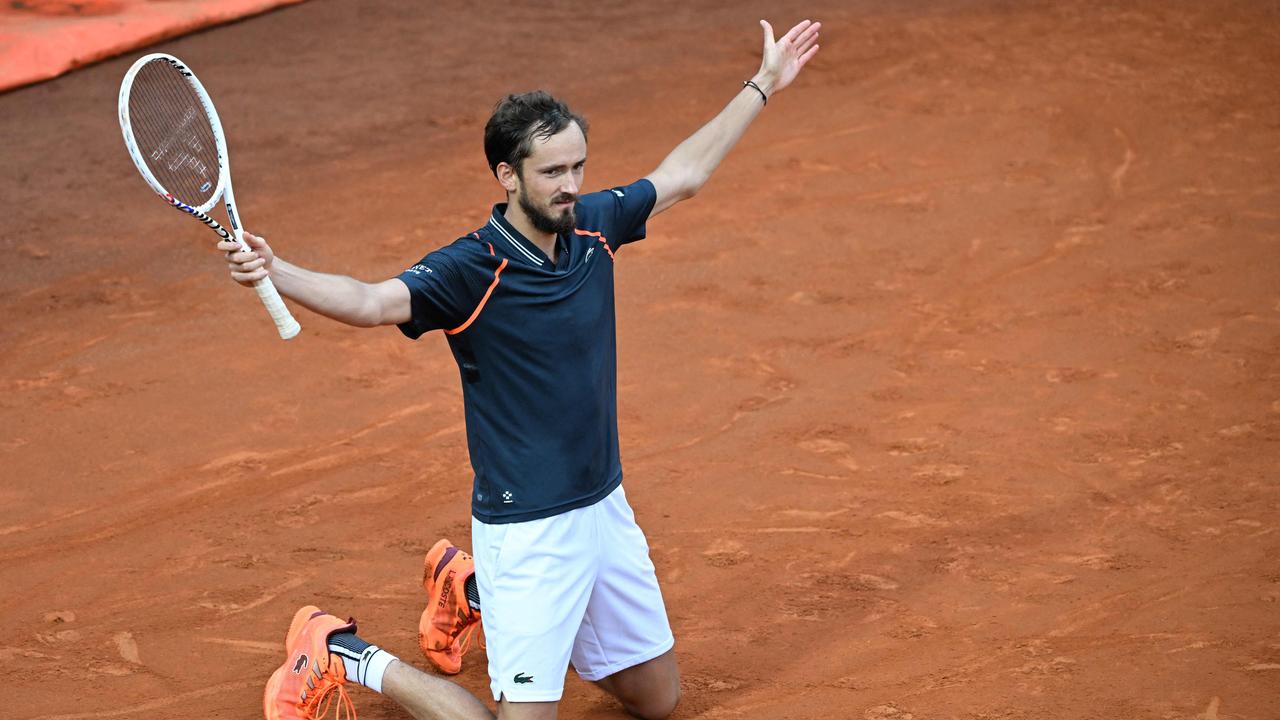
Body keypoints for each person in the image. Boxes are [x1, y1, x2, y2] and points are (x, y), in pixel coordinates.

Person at [227, 18, 821, 720]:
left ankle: (471, 593)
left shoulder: (595, 226)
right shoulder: (469, 268)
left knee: (658, 701)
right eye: (552, 173)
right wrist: (277, 270)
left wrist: (762, 84)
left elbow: (683, 173)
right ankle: (343, 653)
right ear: (507, 175)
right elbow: (368, 300)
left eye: (577, 167)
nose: (571, 185)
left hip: (603, 507)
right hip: (528, 529)